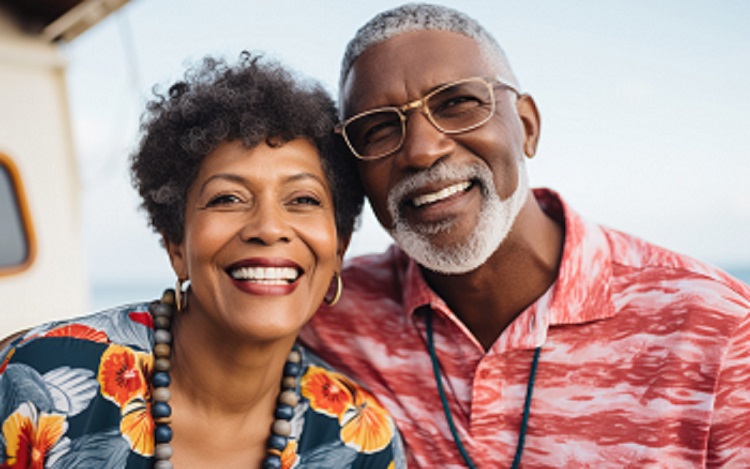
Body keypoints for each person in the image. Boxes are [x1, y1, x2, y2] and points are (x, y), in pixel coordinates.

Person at [299, 3, 750, 468]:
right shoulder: (327, 311)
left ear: (528, 126)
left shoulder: (716, 331)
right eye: (377, 129)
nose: (421, 150)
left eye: (457, 104)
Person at [0, 52, 405, 469]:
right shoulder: (38, 384)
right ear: (176, 243)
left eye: (302, 199)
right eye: (227, 198)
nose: (268, 227)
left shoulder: (361, 440)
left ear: (338, 249)